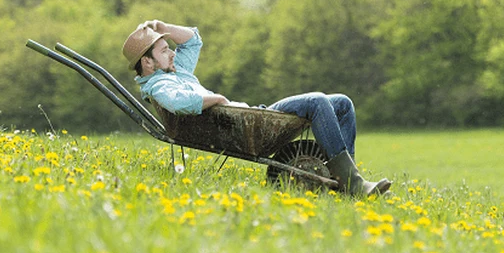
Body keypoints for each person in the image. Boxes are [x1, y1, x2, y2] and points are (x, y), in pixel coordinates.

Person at [122, 20, 391, 197]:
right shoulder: (159, 86)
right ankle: (354, 187)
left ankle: (348, 182)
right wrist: (217, 99)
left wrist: (160, 26)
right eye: (164, 50)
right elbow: (179, 103)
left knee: (342, 103)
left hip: (250, 120)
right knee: (318, 101)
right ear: (147, 63)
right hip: (246, 127)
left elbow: (193, 41)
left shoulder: (176, 72)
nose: (172, 53)